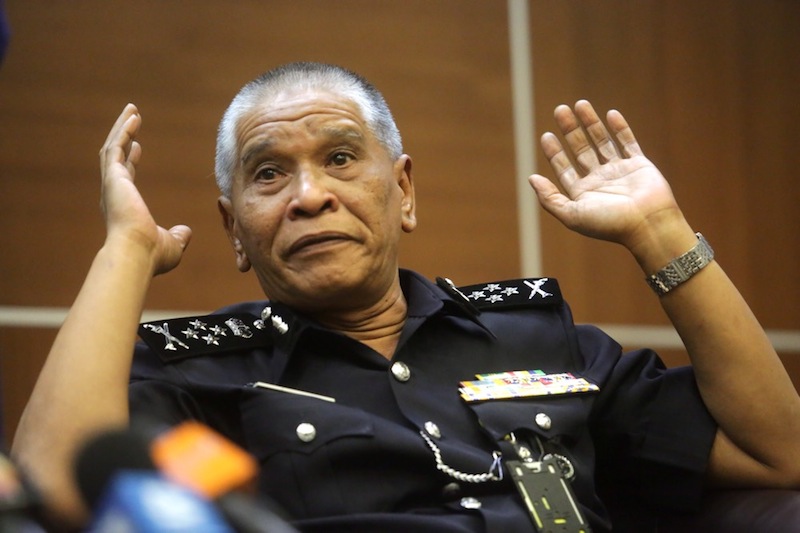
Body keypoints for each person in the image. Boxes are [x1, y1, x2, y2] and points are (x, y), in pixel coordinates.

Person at [10, 62, 800, 532]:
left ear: (404, 189)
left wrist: (660, 232)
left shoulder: (537, 339)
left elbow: (780, 451)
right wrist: (127, 250)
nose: (309, 195)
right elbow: (56, 486)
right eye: (267, 173)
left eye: (342, 157)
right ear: (236, 230)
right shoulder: (203, 374)